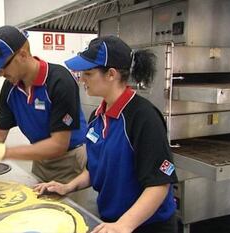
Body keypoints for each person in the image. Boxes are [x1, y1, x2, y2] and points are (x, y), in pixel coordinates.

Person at [34, 35, 178, 233]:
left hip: (147, 226)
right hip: (112, 221)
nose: (82, 79)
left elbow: (159, 185)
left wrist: (124, 225)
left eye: (89, 74)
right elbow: (94, 168)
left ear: (111, 74)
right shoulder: (97, 116)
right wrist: (68, 186)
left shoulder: (143, 117)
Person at [0, 25, 88, 184]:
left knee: (68, 208)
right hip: (41, 161)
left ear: (22, 55)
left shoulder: (59, 80)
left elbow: (58, 145)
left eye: (2, 66)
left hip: (71, 162)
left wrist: (2, 152)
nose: (0, 74)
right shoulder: (10, 88)